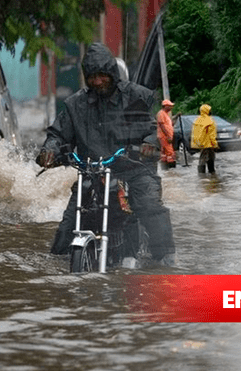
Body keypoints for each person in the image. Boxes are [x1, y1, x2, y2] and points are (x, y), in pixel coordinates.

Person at [35, 42, 176, 264]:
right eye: (92, 76)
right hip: (92, 172)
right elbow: (58, 135)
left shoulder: (135, 97)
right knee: (69, 221)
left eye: (102, 75)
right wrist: (50, 151)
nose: (98, 81)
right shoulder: (75, 105)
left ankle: (165, 260)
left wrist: (148, 145)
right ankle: (60, 266)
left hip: (134, 170)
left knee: (148, 204)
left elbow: (151, 130)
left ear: (111, 72)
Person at [191, 104, 218, 174]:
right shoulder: (210, 121)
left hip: (200, 143)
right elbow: (212, 135)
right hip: (208, 143)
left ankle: (202, 174)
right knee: (210, 158)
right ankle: (210, 173)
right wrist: (215, 144)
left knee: (204, 157)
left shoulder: (197, 120)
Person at [156, 99, 176, 169]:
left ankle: (165, 169)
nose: (171, 107)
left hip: (165, 136)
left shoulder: (165, 114)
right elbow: (163, 126)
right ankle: (172, 169)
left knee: (164, 153)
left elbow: (169, 124)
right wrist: (168, 136)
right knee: (170, 153)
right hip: (164, 136)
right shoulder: (161, 114)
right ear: (165, 106)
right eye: (170, 106)